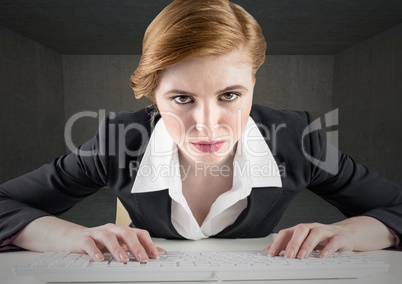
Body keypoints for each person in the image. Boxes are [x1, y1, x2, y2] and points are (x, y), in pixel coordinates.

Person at [0, 0, 401, 264]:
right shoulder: (117, 140)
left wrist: (347, 231)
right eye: (182, 99)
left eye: (229, 94)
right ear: (153, 95)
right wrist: (73, 237)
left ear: (254, 84)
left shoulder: (297, 138)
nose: (207, 124)